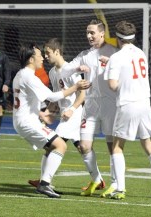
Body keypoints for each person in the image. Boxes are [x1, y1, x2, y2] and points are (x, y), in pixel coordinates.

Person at [13, 43, 90, 198]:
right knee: (60, 145)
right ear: (30, 59)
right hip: (27, 122)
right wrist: (75, 87)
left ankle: (44, 181)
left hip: (25, 121)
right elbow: (53, 96)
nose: (42, 57)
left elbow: (29, 99)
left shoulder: (20, 74)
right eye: (39, 55)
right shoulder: (28, 76)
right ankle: (44, 184)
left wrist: (43, 113)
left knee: (51, 148)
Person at [104, 20, 151, 200]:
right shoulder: (141, 53)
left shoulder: (116, 58)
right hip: (144, 104)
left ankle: (120, 189)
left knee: (117, 146)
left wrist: (110, 66)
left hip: (128, 104)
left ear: (117, 38)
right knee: (148, 144)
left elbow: (112, 85)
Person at [60, 19, 119, 197]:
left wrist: (110, 62)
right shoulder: (84, 55)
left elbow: (125, 74)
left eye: (92, 32)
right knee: (84, 146)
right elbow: (64, 71)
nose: (89, 36)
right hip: (91, 105)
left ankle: (116, 183)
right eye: (87, 32)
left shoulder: (114, 52)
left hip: (110, 105)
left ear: (102, 33)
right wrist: (78, 68)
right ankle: (96, 179)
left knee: (112, 147)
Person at [28, 38, 85, 189]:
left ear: (57, 52)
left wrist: (72, 109)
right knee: (82, 148)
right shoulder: (53, 72)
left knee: (53, 145)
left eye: (48, 53)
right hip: (65, 116)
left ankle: (44, 182)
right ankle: (98, 179)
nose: (45, 56)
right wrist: (48, 112)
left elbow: (82, 94)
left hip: (74, 114)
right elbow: (56, 96)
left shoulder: (71, 69)